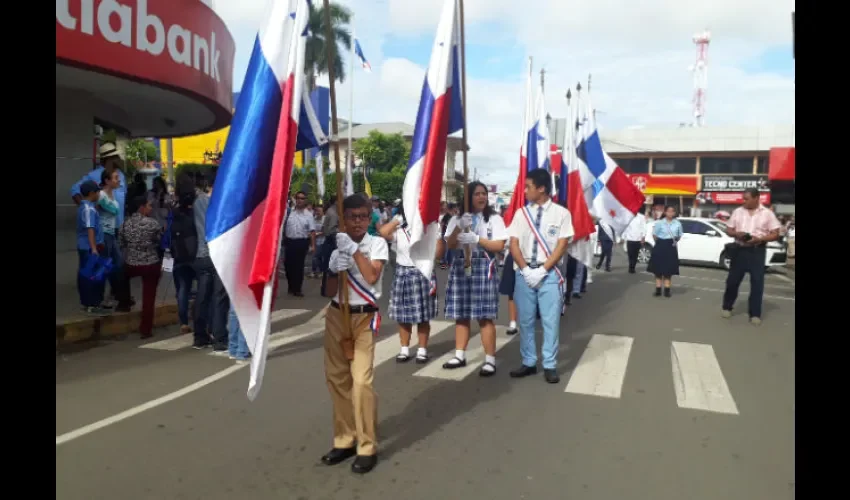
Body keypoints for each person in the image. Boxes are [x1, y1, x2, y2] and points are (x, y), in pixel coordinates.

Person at [321, 194, 388, 474]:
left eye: (363, 216)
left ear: (370, 217)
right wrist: (335, 265)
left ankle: (367, 445)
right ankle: (345, 439)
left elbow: (372, 277)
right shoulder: (335, 244)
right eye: (352, 217)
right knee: (338, 380)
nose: (358, 222)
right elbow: (327, 291)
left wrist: (354, 252)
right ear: (344, 218)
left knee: (361, 382)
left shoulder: (377, 243)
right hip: (338, 314)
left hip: (363, 317)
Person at [507, 169, 574, 384]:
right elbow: (514, 243)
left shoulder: (561, 214)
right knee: (525, 321)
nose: (524, 190)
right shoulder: (521, 214)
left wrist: (543, 270)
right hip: (524, 274)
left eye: (528, 186)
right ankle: (528, 361)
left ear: (542, 188)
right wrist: (526, 270)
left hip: (549, 274)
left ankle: (550, 364)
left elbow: (562, 244)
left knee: (550, 321)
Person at [443, 181, 509, 376]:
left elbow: (499, 246)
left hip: (482, 265)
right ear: (468, 197)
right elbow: (451, 245)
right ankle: (460, 355)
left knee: (484, 316)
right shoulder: (457, 219)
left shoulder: (494, 219)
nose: (481, 197)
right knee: (461, 314)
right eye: (477, 194)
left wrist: (477, 239)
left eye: (484, 193)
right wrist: (459, 226)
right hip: (462, 266)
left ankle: (489, 359)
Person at [379, 205, 443, 364]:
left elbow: (439, 253)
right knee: (403, 315)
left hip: (422, 271)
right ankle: (404, 349)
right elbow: (383, 232)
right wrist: (396, 220)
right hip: (403, 272)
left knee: (423, 315)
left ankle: (422, 350)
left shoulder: (430, 225)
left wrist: (435, 236)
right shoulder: (400, 228)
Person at [721, 188, 782, 325]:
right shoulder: (738, 211)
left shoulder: (767, 214)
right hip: (739, 250)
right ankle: (727, 307)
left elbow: (775, 233)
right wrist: (737, 234)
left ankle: (755, 314)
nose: (744, 201)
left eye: (747, 199)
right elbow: (729, 229)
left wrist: (760, 239)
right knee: (732, 281)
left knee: (757, 283)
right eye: (743, 198)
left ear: (756, 198)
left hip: (757, 250)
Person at [120, 195, 164, 339]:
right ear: (142, 207)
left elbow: (122, 243)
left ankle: (124, 302)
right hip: (150, 264)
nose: (151, 208)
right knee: (148, 297)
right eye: (149, 206)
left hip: (131, 263)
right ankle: (145, 329)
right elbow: (159, 241)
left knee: (122, 276)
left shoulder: (125, 224)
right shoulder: (152, 224)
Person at [76, 180, 109, 315]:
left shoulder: (84, 207)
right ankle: (92, 304)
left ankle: (88, 303)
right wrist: (94, 248)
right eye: (97, 191)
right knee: (92, 276)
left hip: (85, 247)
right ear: (91, 193)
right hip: (90, 248)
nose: (99, 193)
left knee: (86, 275)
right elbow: (90, 229)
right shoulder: (89, 209)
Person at [282, 191, 316, 297]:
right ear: (295, 200)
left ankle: (297, 289)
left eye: (302, 198)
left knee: (298, 266)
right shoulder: (289, 212)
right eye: (298, 198)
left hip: (301, 242)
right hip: (289, 241)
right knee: (288, 265)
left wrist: (313, 245)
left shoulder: (309, 215)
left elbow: (312, 231)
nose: (300, 200)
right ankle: (291, 286)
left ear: (305, 200)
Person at [647, 205, 682, 297]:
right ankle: (658, 290)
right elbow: (654, 235)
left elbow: (679, 235)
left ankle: (667, 290)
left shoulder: (678, 224)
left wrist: (673, 241)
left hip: (671, 247)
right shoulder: (660, 223)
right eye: (668, 211)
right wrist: (660, 243)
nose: (670, 213)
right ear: (665, 212)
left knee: (668, 270)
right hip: (660, 246)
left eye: (672, 211)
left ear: (674, 213)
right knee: (658, 270)